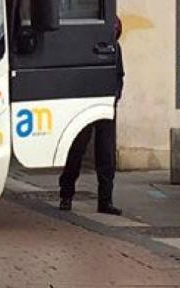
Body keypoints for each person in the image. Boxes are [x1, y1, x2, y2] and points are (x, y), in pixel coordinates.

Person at [59, 16, 125, 215]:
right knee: (77, 150)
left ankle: (105, 200)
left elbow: (119, 75)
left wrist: (114, 97)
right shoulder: (84, 44)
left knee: (106, 154)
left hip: (105, 103)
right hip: (85, 103)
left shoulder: (115, 47)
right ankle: (66, 194)